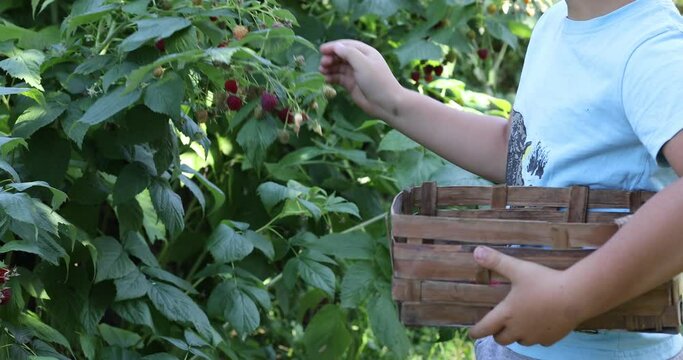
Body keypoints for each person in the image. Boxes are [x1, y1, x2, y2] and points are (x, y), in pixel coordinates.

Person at [319, 0, 683, 359]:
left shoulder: (653, 50)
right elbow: (518, 151)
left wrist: (569, 295)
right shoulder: (555, 24)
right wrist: (393, 102)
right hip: (519, 339)